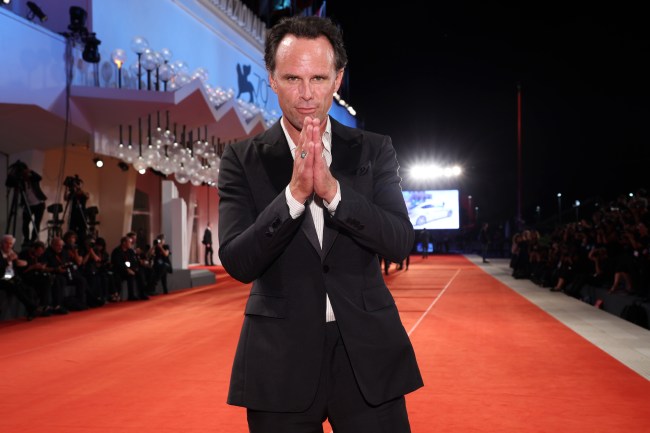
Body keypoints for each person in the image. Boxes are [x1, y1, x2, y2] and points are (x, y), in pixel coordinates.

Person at [217, 16, 422, 432]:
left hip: (366, 353)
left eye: (318, 78)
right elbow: (238, 261)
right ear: (271, 79)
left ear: (338, 79)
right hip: (279, 359)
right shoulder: (241, 158)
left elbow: (399, 241)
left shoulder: (374, 150)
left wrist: (334, 194)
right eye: (292, 78)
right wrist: (293, 196)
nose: (306, 94)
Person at [0, 234, 40, 320]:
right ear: (1, 244)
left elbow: (20, 264)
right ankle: (33, 307)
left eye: (10, 244)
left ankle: (31, 311)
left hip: (12, 277)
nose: (8, 245)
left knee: (28, 287)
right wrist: (7, 260)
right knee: (15, 285)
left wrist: (24, 263)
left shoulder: (13, 253)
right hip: (2, 278)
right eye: (6, 243)